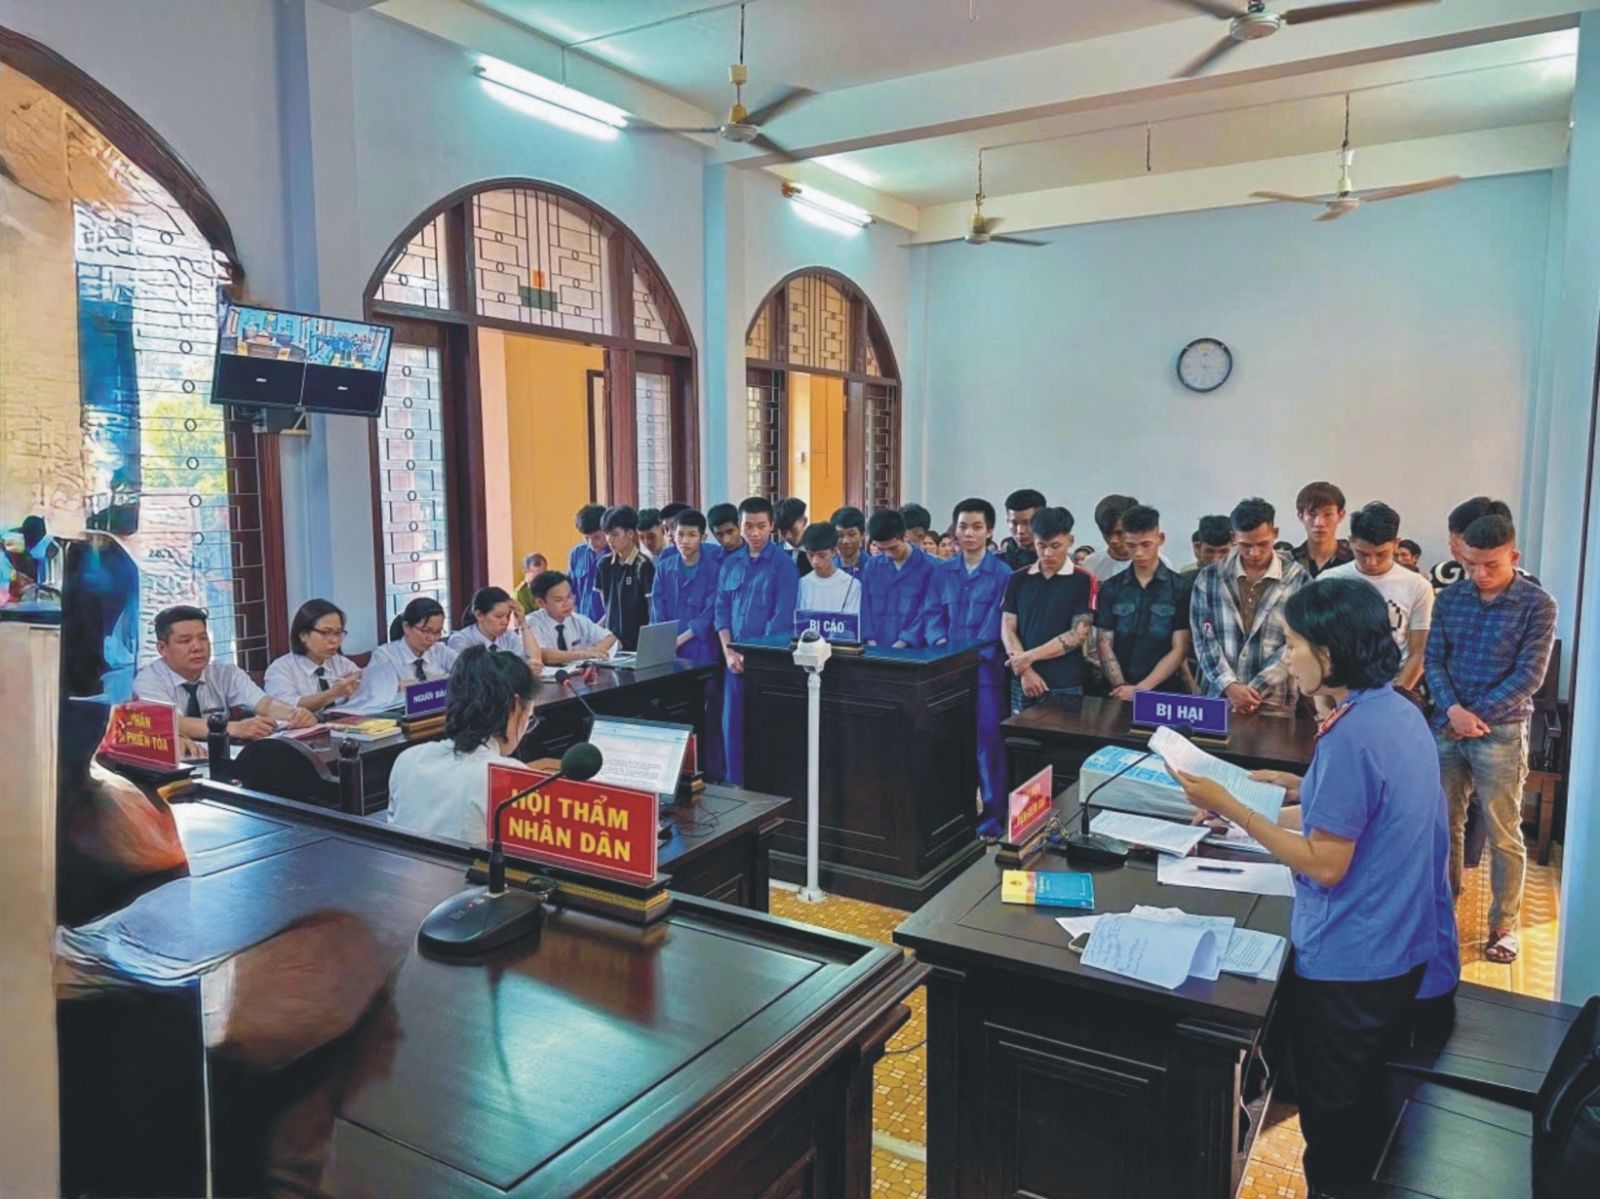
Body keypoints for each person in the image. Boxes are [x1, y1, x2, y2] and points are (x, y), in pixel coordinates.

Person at [1169, 578, 1456, 1198]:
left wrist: (1232, 805)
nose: (1288, 657)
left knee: (1334, 1125)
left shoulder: (1352, 735)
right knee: (1363, 1113)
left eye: (1294, 644)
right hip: (1400, 946)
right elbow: (1360, 814)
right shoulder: (1394, 710)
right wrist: (1282, 795)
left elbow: (1326, 863)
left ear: (1330, 651)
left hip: (1353, 960)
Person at [1426, 513, 1556, 965]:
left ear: (1513, 557)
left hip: (1501, 731)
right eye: (1470, 564)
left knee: (1504, 831)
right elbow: (1434, 661)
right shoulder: (1449, 599)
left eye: (1491, 565)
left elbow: (1530, 676)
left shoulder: (1538, 604)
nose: (1479, 574)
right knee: (1444, 824)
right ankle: (1442, 909)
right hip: (1448, 724)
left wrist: (1474, 715)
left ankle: (1503, 924)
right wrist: (1452, 710)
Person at [926, 498, 1013, 839]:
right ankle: (953, 815)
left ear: (990, 531)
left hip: (985, 675)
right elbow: (932, 614)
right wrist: (939, 644)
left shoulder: (1003, 575)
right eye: (963, 526)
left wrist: (968, 655)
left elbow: (997, 624)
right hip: (945, 674)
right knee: (949, 745)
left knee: (988, 747)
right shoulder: (942, 571)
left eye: (977, 527)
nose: (969, 533)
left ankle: (992, 818)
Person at [386, 646, 534, 843]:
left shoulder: (408, 759)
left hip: (406, 863)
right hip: (470, 865)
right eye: (529, 717)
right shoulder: (510, 776)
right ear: (514, 706)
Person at [1190, 497, 1309, 714]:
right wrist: (1229, 685)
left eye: (1262, 544)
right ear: (1234, 538)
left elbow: (1298, 642)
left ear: (1275, 533)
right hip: (1220, 698)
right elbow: (1203, 639)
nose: (1254, 553)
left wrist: (1255, 689)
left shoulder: (1298, 580)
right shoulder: (1210, 578)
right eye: (1246, 545)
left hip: (1275, 702)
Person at [134, 605, 315, 741]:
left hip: (221, 756)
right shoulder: (148, 680)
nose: (197, 647)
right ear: (162, 648)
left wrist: (293, 713)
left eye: (203, 638)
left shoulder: (225, 673)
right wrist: (235, 728)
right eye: (185, 641)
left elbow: (265, 704)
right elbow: (171, 722)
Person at [716, 496, 799, 786]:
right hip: (733, 662)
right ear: (740, 527)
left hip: (766, 663)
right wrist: (729, 653)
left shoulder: (784, 565)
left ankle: (766, 792)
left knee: (764, 729)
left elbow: (782, 618)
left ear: (772, 526)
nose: (754, 533)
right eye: (748, 526)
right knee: (732, 727)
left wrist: (753, 655)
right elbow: (721, 612)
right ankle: (735, 787)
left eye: (761, 526)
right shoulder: (730, 564)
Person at [1321, 502, 1433, 695]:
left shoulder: (1417, 586)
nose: (1371, 563)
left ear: (1396, 543)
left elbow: (1419, 652)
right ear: (1350, 542)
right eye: (1362, 554)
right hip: (1339, 689)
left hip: (1393, 686)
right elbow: (1316, 647)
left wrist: (1395, 696)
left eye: (1381, 554)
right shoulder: (1329, 581)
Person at [650, 508, 725, 779]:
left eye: (692, 535)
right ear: (672, 535)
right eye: (680, 534)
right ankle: (677, 771)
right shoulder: (665, 567)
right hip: (670, 651)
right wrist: (663, 641)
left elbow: (712, 611)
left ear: (702, 537)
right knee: (674, 709)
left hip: (702, 649)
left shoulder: (714, 569)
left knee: (708, 712)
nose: (685, 540)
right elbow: (657, 607)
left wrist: (681, 638)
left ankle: (711, 772)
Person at [1001, 507, 1095, 711]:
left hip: (1065, 681)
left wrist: (1028, 657)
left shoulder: (1083, 580)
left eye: (1055, 546)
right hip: (1023, 680)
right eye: (1041, 546)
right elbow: (1008, 627)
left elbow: (1078, 634)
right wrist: (1025, 670)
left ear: (1070, 540)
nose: (1047, 553)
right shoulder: (1018, 579)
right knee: (1018, 731)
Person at [1093, 505, 1192, 699]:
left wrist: (1141, 689)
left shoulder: (1181, 588)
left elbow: (1180, 648)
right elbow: (1104, 642)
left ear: (1160, 539)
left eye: (1146, 544)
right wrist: (1121, 687)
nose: (1138, 553)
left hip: (1163, 690)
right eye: (1131, 545)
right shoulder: (1111, 587)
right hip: (1117, 690)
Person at [346, 597, 457, 709]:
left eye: (437, 632)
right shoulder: (384, 655)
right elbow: (372, 695)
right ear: (406, 627)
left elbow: (465, 672)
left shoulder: (440, 650)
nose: (432, 638)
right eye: (426, 631)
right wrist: (396, 687)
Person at [264, 599, 362, 713]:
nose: (334, 640)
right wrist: (332, 694)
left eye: (338, 633)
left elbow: (366, 693)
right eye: (325, 633)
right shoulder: (280, 669)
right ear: (303, 635)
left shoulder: (342, 663)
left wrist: (362, 683)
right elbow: (286, 708)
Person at [1427, 496, 1540, 593]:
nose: (1451, 542)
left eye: (1461, 537)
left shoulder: (1527, 586)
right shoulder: (1443, 573)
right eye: (1451, 534)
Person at [861, 508, 937, 648]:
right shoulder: (872, 566)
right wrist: (870, 640)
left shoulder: (930, 568)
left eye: (893, 548)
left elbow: (927, 611)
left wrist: (905, 641)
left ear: (905, 536)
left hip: (914, 651)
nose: (888, 554)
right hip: (875, 649)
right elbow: (864, 607)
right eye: (882, 549)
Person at [594, 505, 654, 651]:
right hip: (612, 645)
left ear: (630, 534)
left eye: (615, 534)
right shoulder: (604, 564)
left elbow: (652, 609)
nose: (609, 540)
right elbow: (607, 608)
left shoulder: (643, 565)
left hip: (638, 645)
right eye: (607, 534)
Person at [528, 570, 616, 663]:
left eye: (569, 596)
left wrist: (597, 651)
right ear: (541, 602)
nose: (568, 603)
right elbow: (542, 655)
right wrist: (583, 654)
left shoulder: (578, 620)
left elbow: (610, 637)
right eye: (559, 600)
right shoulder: (531, 623)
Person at [447, 585, 543, 664]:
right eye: (498, 616)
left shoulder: (509, 636)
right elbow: (475, 673)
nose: (505, 621)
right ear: (479, 615)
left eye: (508, 615)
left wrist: (523, 623)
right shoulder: (461, 640)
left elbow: (534, 660)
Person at [796, 523, 861, 615]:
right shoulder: (802, 584)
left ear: (834, 551)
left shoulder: (851, 585)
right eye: (810, 555)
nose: (815, 561)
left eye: (822, 555)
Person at [1292, 481, 1353, 579]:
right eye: (1312, 514)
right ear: (1300, 516)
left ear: (1340, 515)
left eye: (1328, 514)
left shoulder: (1354, 560)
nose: (1319, 523)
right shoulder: (1290, 562)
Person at [1079, 494, 1139, 582]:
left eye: (1119, 533)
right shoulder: (1090, 564)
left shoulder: (1156, 564)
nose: (1113, 540)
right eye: (1107, 533)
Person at [567, 503, 608, 622]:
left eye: (596, 537)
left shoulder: (615, 557)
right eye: (587, 538)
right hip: (581, 622)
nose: (591, 543)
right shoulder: (577, 554)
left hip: (607, 625)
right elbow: (571, 593)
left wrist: (597, 628)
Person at [999, 488, 1046, 570]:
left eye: (1027, 523)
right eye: (1014, 523)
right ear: (1007, 521)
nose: (1020, 531)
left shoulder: (1061, 563)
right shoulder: (994, 563)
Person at [775, 496, 813, 578]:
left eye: (792, 529)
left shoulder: (816, 553)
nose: (788, 536)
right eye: (783, 531)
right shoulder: (774, 552)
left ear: (804, 521)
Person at [830, 505, 868, 578]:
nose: (845, 541)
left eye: (851, 534)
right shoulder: (828, 568)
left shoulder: (874, 568)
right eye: (840, 535)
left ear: (862, 535)